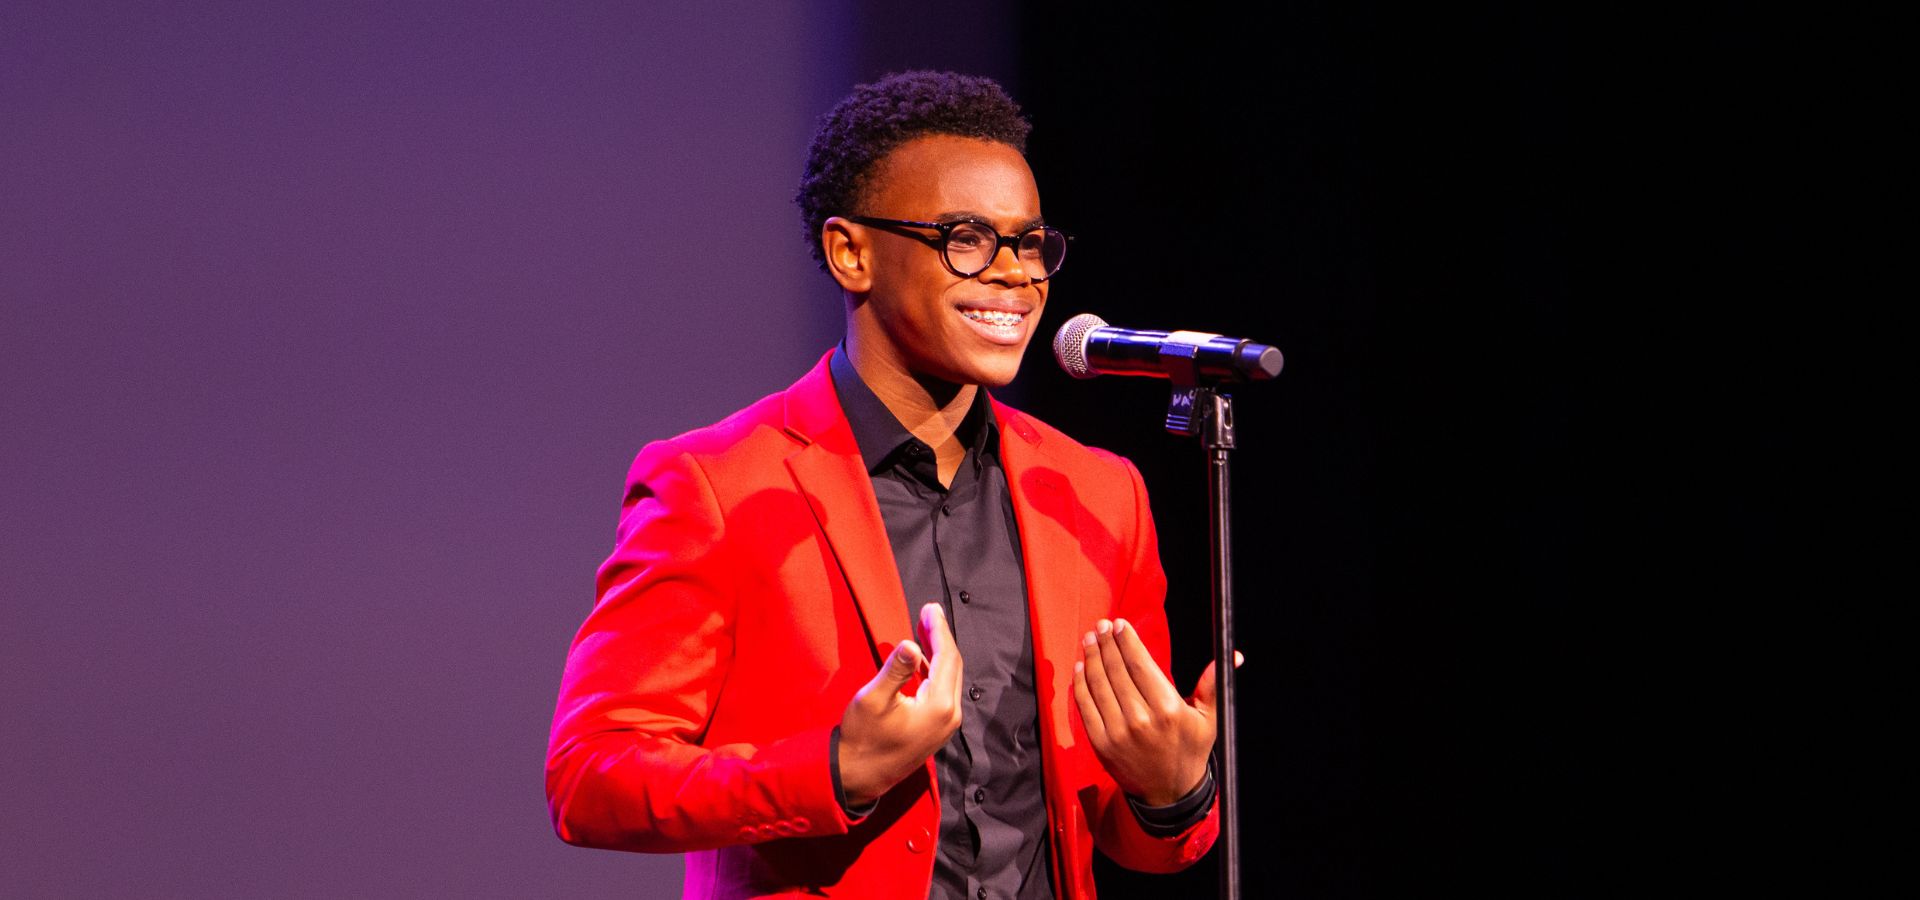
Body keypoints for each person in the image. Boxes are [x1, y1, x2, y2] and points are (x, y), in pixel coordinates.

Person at [546, 71, 1225, 900]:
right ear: (851, 252)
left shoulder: (1095, 494)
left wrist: (1172, 791)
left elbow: (1134, 840)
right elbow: (591, 775)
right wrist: (836, 769)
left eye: (1031, 242)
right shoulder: (718, 485)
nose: (1017, 275)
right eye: (969, 238)